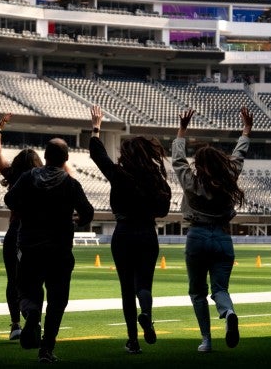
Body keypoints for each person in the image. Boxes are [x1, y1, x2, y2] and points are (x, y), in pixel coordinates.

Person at [89, 105, 171, 354]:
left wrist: (96, 128)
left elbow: (98, 155)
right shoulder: (157, 179)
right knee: (144, 284)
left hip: (123, 233)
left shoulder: (119, 174)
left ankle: (133, 341)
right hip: (147, 232)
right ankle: (146, 313)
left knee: (126, 288)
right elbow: (164, 210)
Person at [4, 138, 94, 363]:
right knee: (57, 300)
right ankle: (46, 349)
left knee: (26, 290)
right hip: (60, 250)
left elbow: (9, 199)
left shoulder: (28, 177)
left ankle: (31, 312)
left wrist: (27, 210)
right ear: (66, 159)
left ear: (45, 157)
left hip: (30, 247)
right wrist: (76, 220)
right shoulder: (71, 184)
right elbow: (88, 212)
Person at [171, 107, 253, 352]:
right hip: (222, 237)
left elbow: (177, 158)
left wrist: (182, 129)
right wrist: (246, 129)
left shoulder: (191, 182)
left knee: (197, 292)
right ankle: (228, 313)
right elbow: (239, 156)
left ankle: (206, 340)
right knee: (220, 289)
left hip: (197, 236)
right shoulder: (229, 179)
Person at [0, 113, 43, 340]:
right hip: (38, 233)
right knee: (36, 279)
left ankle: (15, 324)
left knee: (13, 279)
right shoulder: (45, 178)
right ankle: (35, 318)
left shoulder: (13, 176)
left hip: (15, 231)